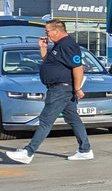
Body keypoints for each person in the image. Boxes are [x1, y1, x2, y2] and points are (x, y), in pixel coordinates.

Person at [5, 19, 93, 164]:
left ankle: (28, 152)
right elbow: (49, 63)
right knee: (73, 118)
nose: (46, 34)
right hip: (59, 88)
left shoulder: (68, 45)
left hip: (61, 89)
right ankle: (85, 150)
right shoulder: (58, 45)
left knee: (45, 120)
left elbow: (78, 68)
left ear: (56, 31)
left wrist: (78, 88)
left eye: (47, 31)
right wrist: (43, 48)